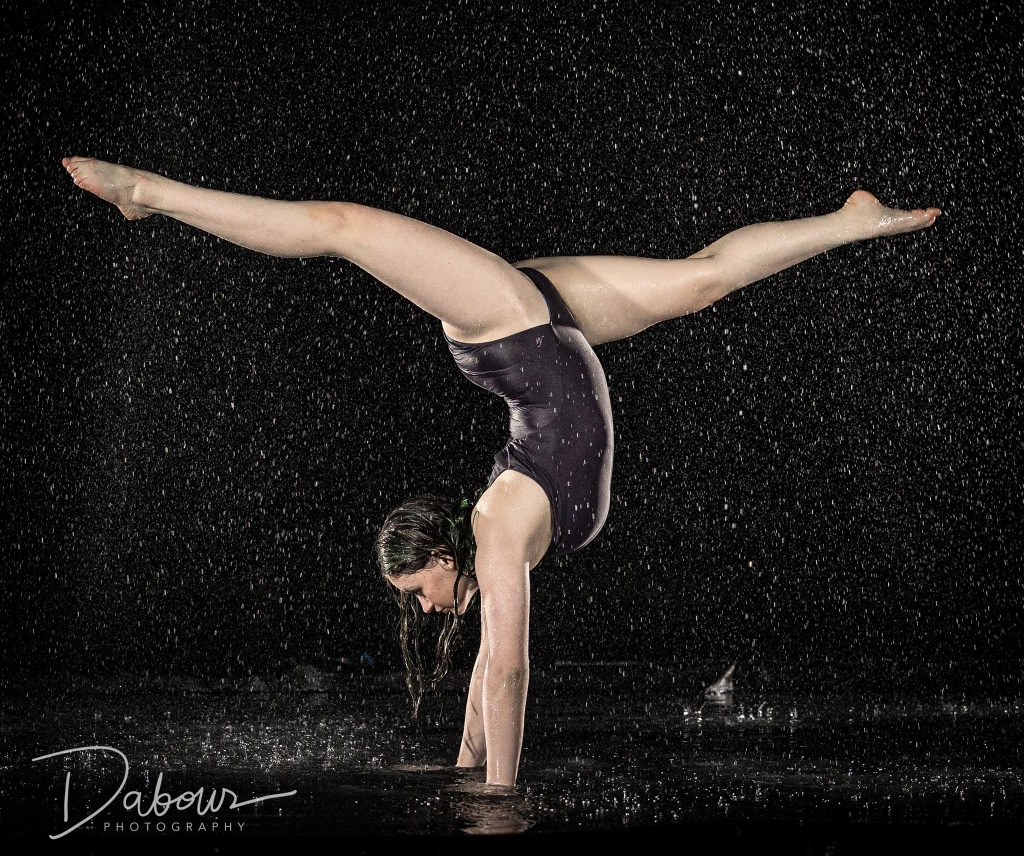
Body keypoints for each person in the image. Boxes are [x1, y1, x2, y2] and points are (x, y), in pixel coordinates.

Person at [61, 154, 941, 787]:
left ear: (443, 559)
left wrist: (493, 793)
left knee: (340, 228)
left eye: (412, 589)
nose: (416, 603)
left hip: (506, 332)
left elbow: (507, 669)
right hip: (543, 335)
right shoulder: (495, 539)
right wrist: (477, 776)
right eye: (414, 595)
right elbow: (498, 667)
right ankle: (849, 220)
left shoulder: (494, 530)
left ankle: (151, 193)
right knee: (704, 278)